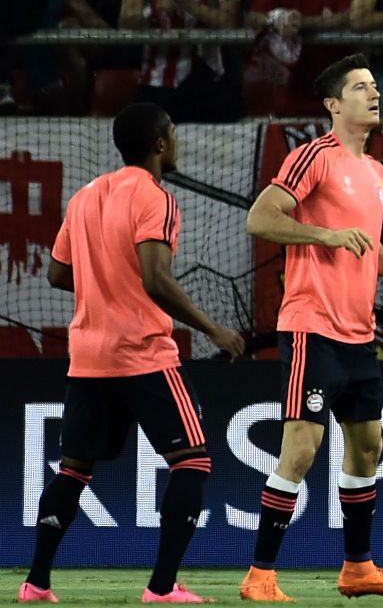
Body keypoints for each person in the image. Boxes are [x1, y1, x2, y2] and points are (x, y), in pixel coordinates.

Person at [19, 103, 245, 605]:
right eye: (173, 132)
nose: (176, 140)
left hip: (88, 356)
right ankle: (162, 588)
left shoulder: (85, 196)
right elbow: (156, 279)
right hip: (141, 353)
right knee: (192, 462)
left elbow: (57, 274)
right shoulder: (156, 199)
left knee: (73, 470)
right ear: (160, 144)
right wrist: (214, 329)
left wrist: (104, 283)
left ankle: (36, 583)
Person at [238, 56, 383, 602]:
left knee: (367, 448)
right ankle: (260, 575)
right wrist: (324, 235)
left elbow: (364, 244)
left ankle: (359, 569)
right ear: (332, 104)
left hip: (358, 334)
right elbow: (260, 217)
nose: (375, 94)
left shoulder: (372, 172)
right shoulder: (312, 156)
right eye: (361, 88)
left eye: (375, 85)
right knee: (300, 450)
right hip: (311, 329)